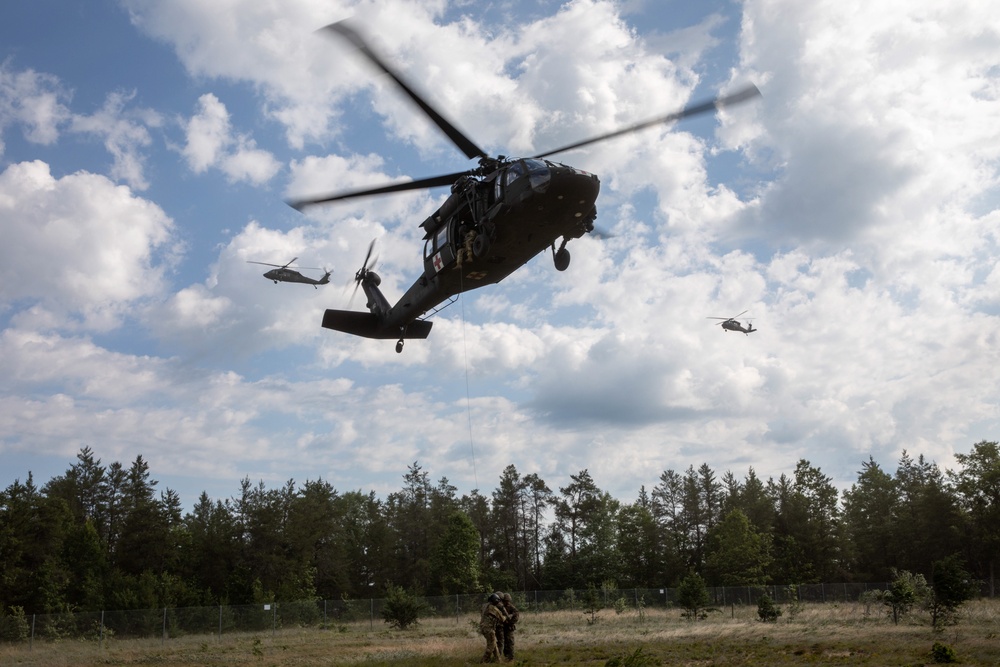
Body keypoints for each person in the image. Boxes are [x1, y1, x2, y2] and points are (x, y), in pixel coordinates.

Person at [479, 592, 508, 663]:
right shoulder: (494, 609)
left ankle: (498, 659)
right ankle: (484, 661)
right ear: (495, 601)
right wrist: (507, 616)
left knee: (494, 643)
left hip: (483, 627)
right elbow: (502, 619)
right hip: (489, 629)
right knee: (491, 646)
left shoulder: (484, 606)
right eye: (498, 601)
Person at [499, 592, 519, 661]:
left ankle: (511, 657)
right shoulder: (500, 607)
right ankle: (505, 655)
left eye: (508, 601)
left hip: (509, 628)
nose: (507, 602)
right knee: (502, 642)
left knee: (510, 642)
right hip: (501, 628)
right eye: (506, 601)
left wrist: (509, 622)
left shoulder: (511, 607)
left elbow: (516, 616)